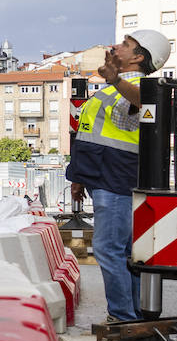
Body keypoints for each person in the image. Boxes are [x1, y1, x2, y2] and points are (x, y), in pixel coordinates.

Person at [66, 29, 170, 322]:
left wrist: (114, 79)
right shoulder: (114, 88)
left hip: (117, 181)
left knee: (109, 250)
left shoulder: (140, 86)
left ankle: (123, 318)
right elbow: (92, 134)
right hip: (104, 178)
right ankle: (133, 316)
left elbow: (145, 102)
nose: (116, 46)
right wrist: (80, 178)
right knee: (124, 252)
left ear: (139, 57)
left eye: (126, 45)